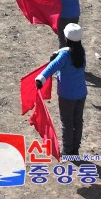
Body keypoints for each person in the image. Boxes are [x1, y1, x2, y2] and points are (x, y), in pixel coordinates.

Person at [36, 23, 86, 156]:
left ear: (66, 37)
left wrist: (40, 79)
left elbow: (52, 67)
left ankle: (68, 150)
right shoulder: (81, 52)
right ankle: (75, 148)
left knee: (67, 123)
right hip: (81, 94)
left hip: (67, 96)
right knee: (78, 121)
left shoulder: (64, 55)